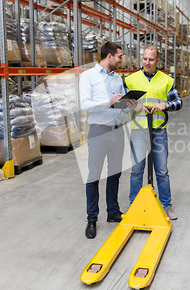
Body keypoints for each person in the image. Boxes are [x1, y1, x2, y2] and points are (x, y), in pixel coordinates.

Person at [79, 42, 136, 239]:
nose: (121, 60)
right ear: (110, 56)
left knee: (114, 174)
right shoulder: (88, 76)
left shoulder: (118, 78)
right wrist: (109, 102)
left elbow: (119, 105)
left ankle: (113, 212)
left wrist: (131, 105)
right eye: (119, 56)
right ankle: (92, 218)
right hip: (98, 132)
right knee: (94, 175)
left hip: (117, 131)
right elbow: (86, 105)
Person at [124, 46, 183, 220]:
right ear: (141, 59)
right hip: (139, 130)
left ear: (157, 61)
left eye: (151, 59)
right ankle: (133, 205)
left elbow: (178, 102)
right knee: (136, 169)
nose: (147, 62)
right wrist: (134, 106)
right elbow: (122, 104)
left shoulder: (166, 80)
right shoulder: (130, 79)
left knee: (162, 170)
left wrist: (166, 105)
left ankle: (167, 205)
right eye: (144, 59)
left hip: (158, 130)